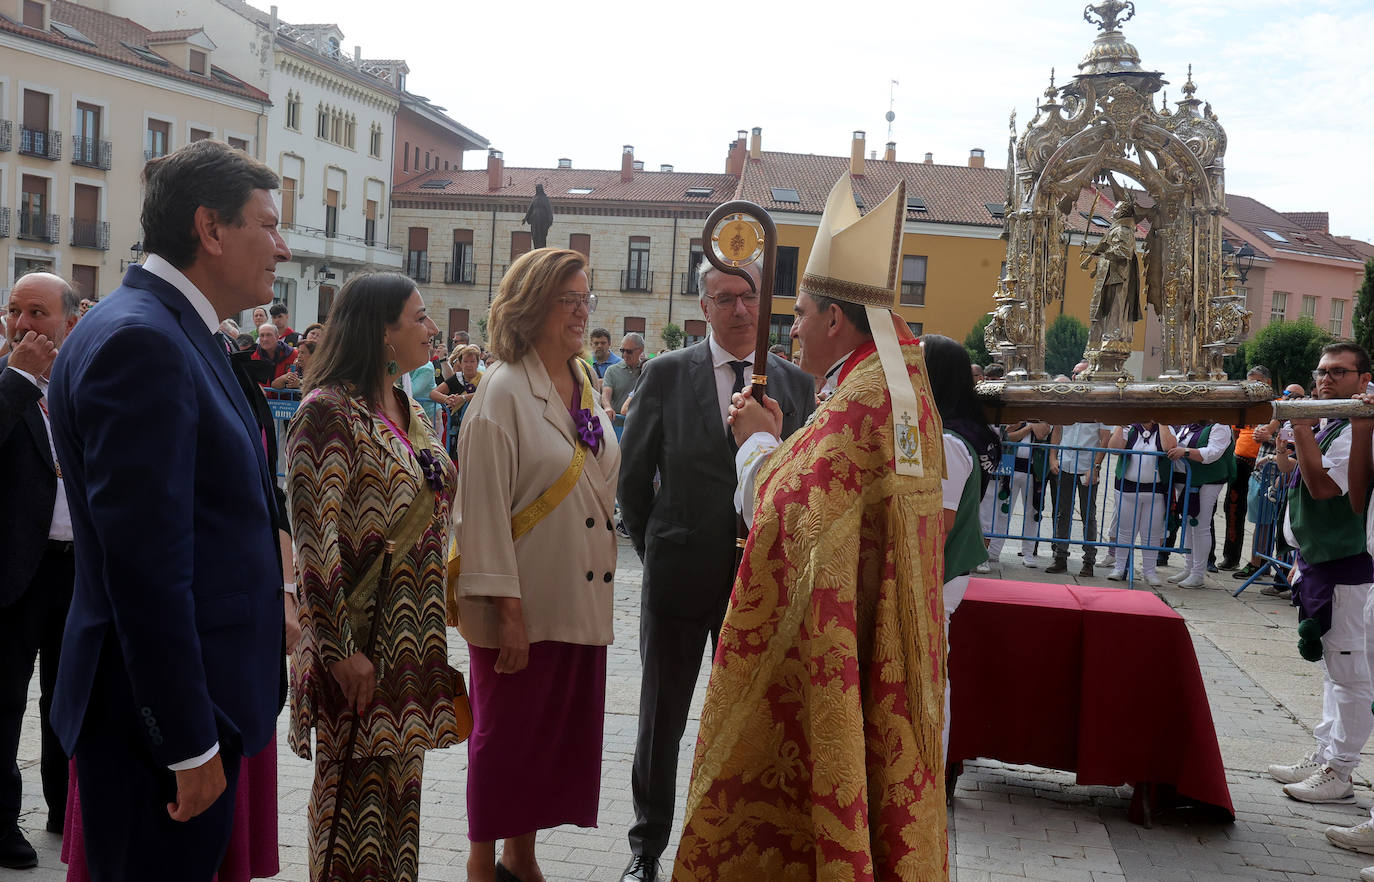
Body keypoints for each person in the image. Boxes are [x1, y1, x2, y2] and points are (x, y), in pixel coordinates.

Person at [674, 175, 947, 881]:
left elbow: (793, 519)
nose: (787, 328)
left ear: (834, 320)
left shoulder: (863, 401)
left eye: (798, 314)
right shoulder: (896, 385)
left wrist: (757, 443)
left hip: (852, 662)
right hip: (883, 653)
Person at [45, 138, 287, 881]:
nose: (281, 247)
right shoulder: (142, 342)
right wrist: (187, 742)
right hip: (162, 727)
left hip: (187, 707)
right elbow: (145, 570)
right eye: (266, 224)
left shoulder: (167, 327)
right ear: (210, 229)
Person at [618, 258, 815, 882]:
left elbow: (797, 486)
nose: (738, 310)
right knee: (661, 721)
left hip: (759, 587)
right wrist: (660, 548)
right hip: (679, 577)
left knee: (753, 721)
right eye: (724, 298)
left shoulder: (796, 384)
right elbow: (631, 482)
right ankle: (646, 849)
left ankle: (742, 849)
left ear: (765, 303)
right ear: (703, 307)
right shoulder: (667, 374)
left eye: (748, 296)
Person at [287, 271, 464, 881]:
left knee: (399, 812)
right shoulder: (325, 413)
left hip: (410, 645)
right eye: (419, 318)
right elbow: (313, 545)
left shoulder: (408, 407)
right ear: (383, 333)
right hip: (358, 647)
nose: (432, 328)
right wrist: (337, 651)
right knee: (350, 820)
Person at [452, 249, 620, 882]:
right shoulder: (501, 390)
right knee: (505, 741)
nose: (581, 312)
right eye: (567, 300)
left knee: (549, 744)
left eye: (586, 298)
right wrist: (509, 615)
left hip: (579, 597)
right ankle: (479, 862)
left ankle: (520, 857)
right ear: (532, 307)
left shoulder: (585, 381)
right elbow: (483, 513)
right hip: (522, 602)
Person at [1266, 342, 1374, 807]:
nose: (1326, 380)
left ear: (1363, 380)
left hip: (1347, 564)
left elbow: (1323, 487)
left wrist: (1303, 428)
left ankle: (1340, 771)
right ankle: (1326, 752)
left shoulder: (1355, 429)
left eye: (1340, 372)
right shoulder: (1337, 424)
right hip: (1321, 560)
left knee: (1351, 673)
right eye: (1322, 371)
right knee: (1334, 669)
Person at [0, 273, 79, 869]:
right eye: (15, 312)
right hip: (13, 572)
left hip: (77, 569)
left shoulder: (83, 384)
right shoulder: (6, 382)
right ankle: (2, 823)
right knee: (4, 703)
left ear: (71, 323)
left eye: (39, 313)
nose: (24, 324)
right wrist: (21, 379)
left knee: (69, 697)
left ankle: (64, 807)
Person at [921, 333, 998, 758]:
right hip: (940, 573)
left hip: (938, 574)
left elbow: (938, 527)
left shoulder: (949, 442)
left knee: (932, 675)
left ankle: (932, 765)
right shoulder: (951, 433)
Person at [1106, 421, 1177, 586]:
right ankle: (1119, 567)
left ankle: (1149, 571)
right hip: (1127, 488)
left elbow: (1169, 447)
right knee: (1125, 530)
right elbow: (1114, 448)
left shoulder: (1166, 428)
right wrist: (1120, 425)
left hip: (1156, 490)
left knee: (1151, 533)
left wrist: (1162, 422)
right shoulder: (1129, 428)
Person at [1166, 422, 1234, 588]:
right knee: (1189, 524)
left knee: (1201, 525)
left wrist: (1186, 452)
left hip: (1208, 480)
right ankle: (1189, 568)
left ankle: (1198, 573)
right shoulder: (1191, 425)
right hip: (1188, 480)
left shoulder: (1221, 426)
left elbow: (1212, 453)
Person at [1220, 365, 1274, 569]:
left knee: (1264, 515)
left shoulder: (1276, 405)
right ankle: (1230, 557)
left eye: (1256, 382)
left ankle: (1261, 561)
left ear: (1267, 383)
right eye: (1249, 382)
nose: (1251, 387)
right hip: (1240, 462)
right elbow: (1235, 433)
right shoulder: (1244, 406)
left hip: (1264, 466)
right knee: (1233, 508)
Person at [1046, 416, 1110, 577]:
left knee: (1088, 515)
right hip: (1065, 464)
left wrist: (1095, 467)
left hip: (1086, 467)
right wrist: (1053, 457)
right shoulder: (1069, 403)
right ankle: (1060, 557)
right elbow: (1058, 430)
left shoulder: (1100, 408)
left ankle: (1089, 561)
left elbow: (1105, 438)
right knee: (1063, 513)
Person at [986, 419, 1052, 567]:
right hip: (1012, 469)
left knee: (1032, 513)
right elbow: (1008, 436)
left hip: (1033, 472)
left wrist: (1030, 425)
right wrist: (1029, 427)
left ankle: (1028, 554)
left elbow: (1042, 433)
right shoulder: (1018, 416)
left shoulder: (1042, 417)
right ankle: (994, 552)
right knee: (1003, 512)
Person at [432, 344, 483, 457]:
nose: (469, 365)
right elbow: (433, 393)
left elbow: (485, 393)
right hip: (455, 427)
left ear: (478, 362)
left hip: (476, 427)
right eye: (465, 361)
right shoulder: (456, 378)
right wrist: (447, 399)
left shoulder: (483, 379)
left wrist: (463, 398)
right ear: (460, 363)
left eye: (472, 361)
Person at [603, 332, 645, 417]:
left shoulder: (646, 371)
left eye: (629, 351)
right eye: (622, 350)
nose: (625, 355)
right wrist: (607, 407)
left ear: (640, 350)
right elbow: (605, 395)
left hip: (639, 425)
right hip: (617, 424)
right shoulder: (612, 370)